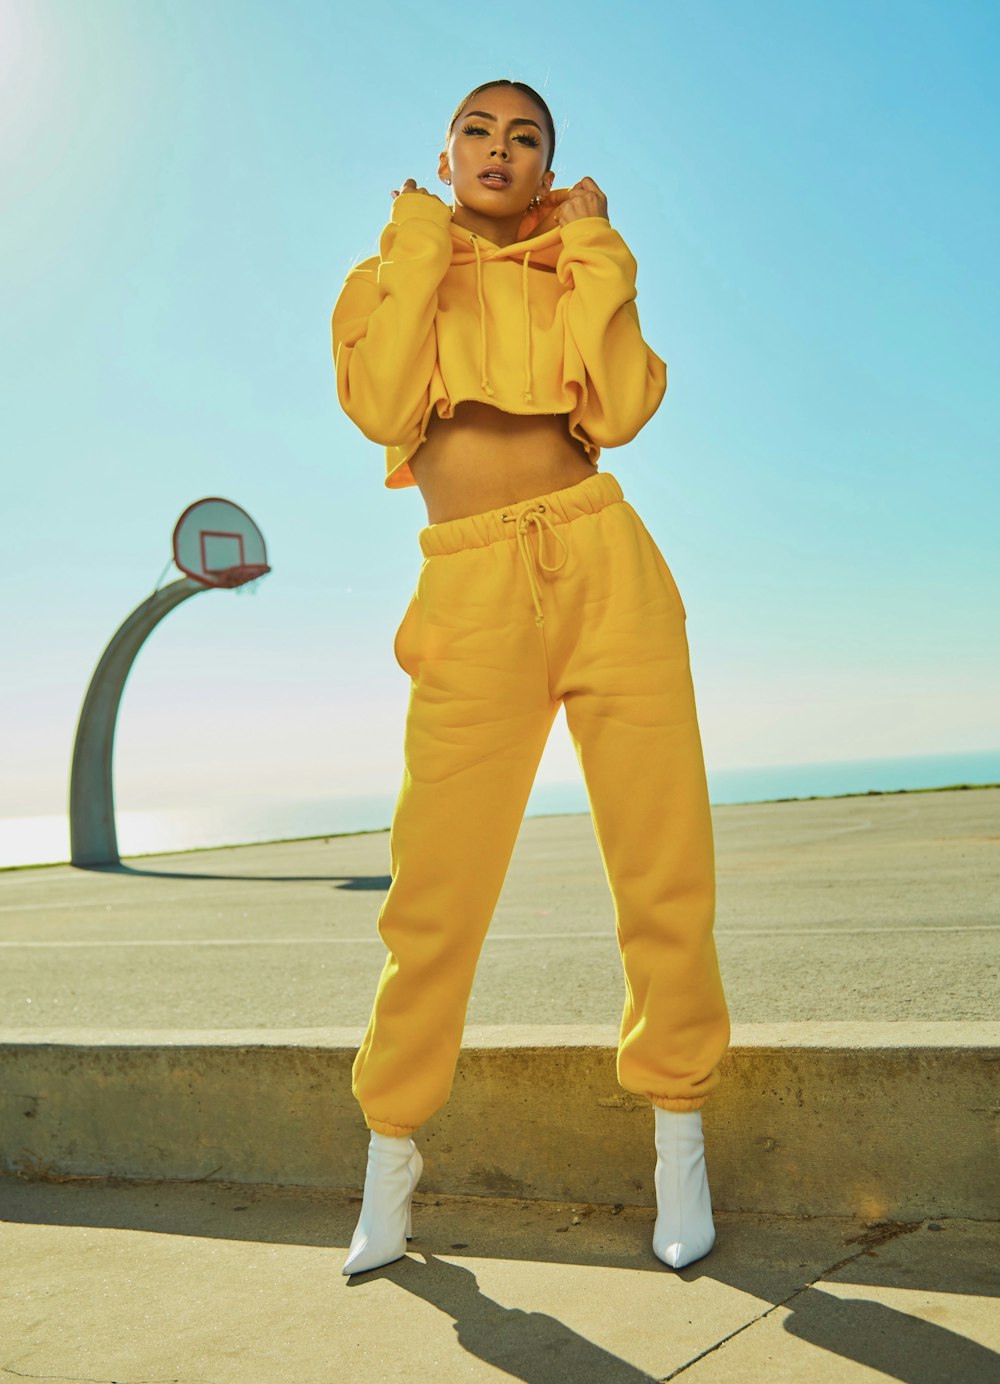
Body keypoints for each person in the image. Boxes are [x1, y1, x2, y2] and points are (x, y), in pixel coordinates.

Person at [330, 79, 730, 1276]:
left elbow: (620, 403)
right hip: (470, 592)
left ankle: (678, 1132)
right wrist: (416, 243)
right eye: (478, 132)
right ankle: (391, 1156)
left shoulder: (576, 265)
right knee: (434, 893)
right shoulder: (384, 274)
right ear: (443, 152)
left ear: (551, 164)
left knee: (666, 865)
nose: (500, 149)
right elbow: (382, 404)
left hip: (604, 558)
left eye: (527, 137)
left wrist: (597, 249)